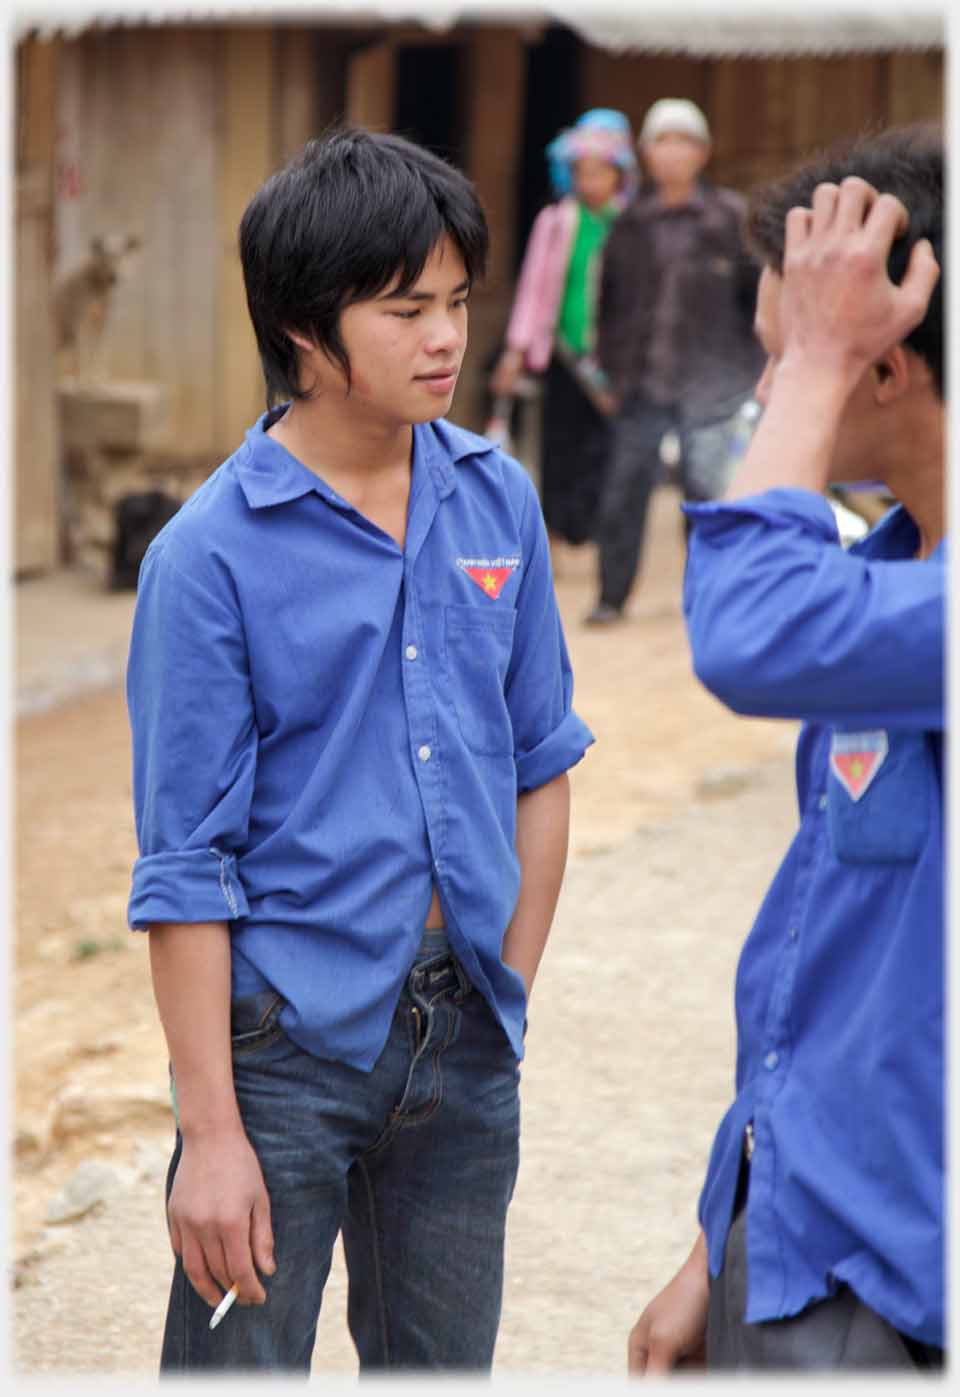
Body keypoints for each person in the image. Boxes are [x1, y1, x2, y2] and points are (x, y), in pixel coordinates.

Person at [124, 127, 594, 1374]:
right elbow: (186, 866)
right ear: (302, 329)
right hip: (282, 1051)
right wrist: (209, 1132)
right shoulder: (208, 558)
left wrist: (508, 986)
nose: (445, 337)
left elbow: (542, 759)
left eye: (455, 302)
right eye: (403, 309)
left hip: (468, 1040)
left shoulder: (498, 497)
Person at [628, 122, 944, 1373]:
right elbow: (827, 962)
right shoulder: (884, 579)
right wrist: (723, 1239)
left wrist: (816, 351)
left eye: (789, 359)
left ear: (883, 368)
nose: (769, 394)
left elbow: (746, 633)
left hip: (909, 1278)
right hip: (808, 1233)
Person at [586, 98, 763, 624]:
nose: (672, 152)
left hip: (713, 386)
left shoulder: (731, 218)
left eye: (683, 141)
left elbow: (758, 301)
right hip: (640, 381)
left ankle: (706, 601)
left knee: (705, 496)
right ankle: (610, 598)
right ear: (645, 153)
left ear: (703, 151)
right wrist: (610, 373)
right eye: (661, 141)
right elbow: (609, 303)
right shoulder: (629, 222)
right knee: (622, 492)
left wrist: (749, 375)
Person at [490, 108, 636, 563]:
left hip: (614, 355)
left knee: (605, 442)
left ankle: (590, 527)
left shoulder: (631, 225)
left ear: (620, 175)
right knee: (559, 439)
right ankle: (555, 526)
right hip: (562, 351)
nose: (591, 181)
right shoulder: (556, 222)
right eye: (582, 172)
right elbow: (535, 288)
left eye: (601, 172)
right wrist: (516, 349)